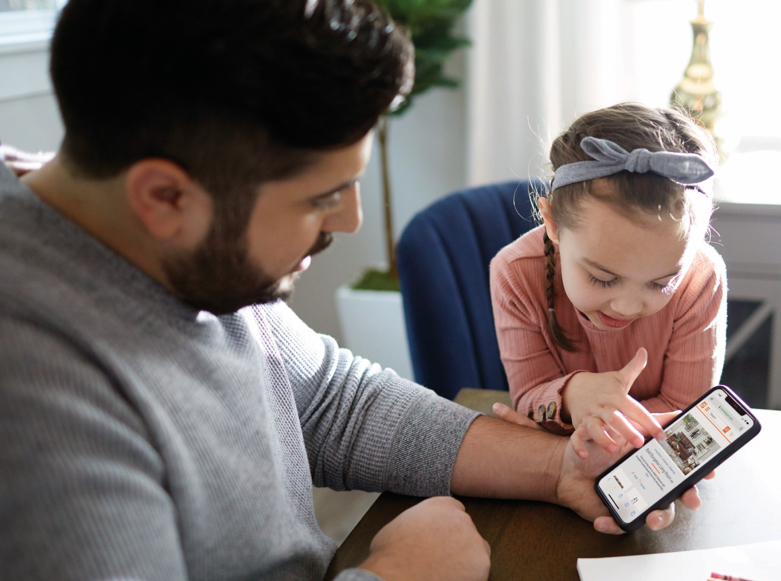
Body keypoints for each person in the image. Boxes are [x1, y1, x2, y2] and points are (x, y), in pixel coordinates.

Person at [0, 3, 708, 581]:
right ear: (163, 196)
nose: (350, 221)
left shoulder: (174, 249)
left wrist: (557, 468)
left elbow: (333, 402)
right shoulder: (33, 390)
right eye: (322, 196)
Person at [490, 103, 727, 459]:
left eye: (662, 283)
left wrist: (570, 431)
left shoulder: (701, 278)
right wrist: (574, 394)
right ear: (553, 223)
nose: (629, 307)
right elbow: (528, 398)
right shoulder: (515, 272)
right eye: (602, 278)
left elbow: (684, 415)